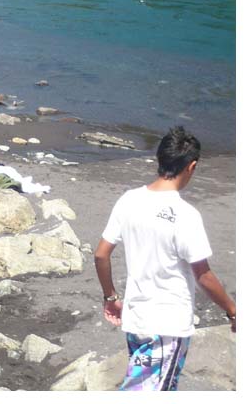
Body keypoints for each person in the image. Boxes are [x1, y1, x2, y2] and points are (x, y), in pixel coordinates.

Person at [94, 125, 236, 392]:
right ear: (191, 166)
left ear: (159, 159)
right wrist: (232, 310)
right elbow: (203, 275)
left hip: (137, 320)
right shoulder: (186, 214)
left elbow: (101, 254)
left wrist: (110, 297)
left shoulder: (128, 200)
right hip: (167, 325)